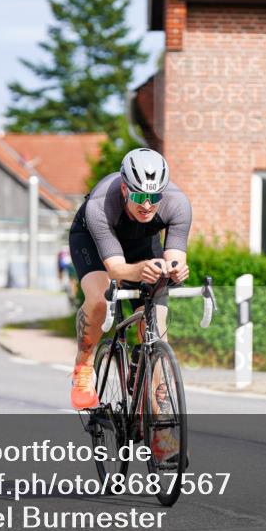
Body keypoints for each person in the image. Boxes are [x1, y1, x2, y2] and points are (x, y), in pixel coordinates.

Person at [67, 149, 191, 421]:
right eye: (138, 196)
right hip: (94, 242)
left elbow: (174, 258)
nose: (147, 205)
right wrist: (139, 270)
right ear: (125, 188)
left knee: (156, 325)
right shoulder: (101, 203)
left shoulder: (178, 203)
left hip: (142, 245)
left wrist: (176, 270)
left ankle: (160, 424)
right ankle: (84, 367)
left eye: (154, 197)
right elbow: (116, 270)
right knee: (100, 298)